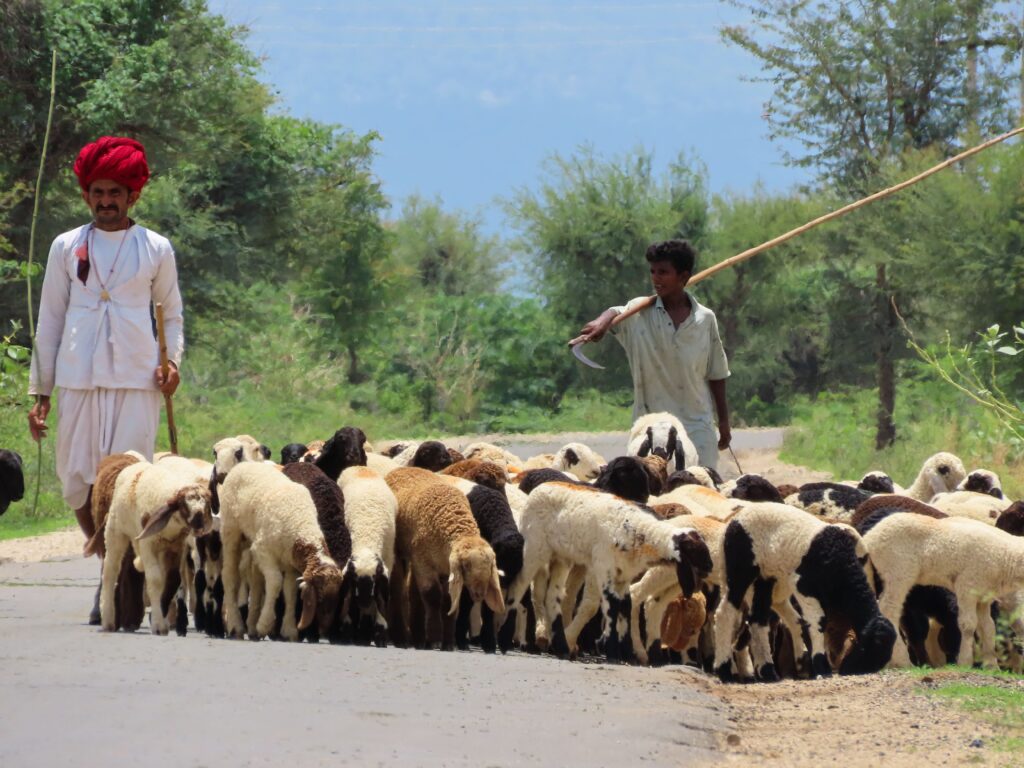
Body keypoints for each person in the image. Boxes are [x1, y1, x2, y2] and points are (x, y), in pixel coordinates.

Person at [27, 136, 184, 622]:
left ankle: (113, 584)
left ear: (133, 195)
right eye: (98, 192)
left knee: (127, 481)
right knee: (77, 480)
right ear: (86, 194)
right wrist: (40, 391)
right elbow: (50, 318)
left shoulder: (155, 247)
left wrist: (173, 365)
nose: (106, 201)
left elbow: (172, 314)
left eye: (115, 192)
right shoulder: (65, 245)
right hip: (77, 375)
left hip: (137, 377)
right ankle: (108, 562)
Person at [569, 239, 730, 469]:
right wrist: (601, 322)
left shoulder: (705, 319)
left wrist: (724, 423)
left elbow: (717, 373)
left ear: (683, 276)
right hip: (650, 430)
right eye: (653, 271)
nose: (655, 278)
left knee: (701, 485)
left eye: (663, 272)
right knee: (650, 488)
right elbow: (616, 311)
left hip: (696, 428)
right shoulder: (638, 313)